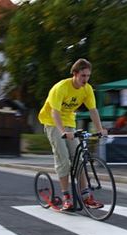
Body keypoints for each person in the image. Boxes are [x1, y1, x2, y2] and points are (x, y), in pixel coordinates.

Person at [38, 58, 107, 211]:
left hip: (70, 122)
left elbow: (93, 110)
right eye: (83, 75)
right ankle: (66, 198)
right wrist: (63, 132)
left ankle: (86, 197)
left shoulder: (87, 89)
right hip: (52, 122)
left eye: (88, 76)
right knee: (64, 160)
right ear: (74, 74)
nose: (86, 79)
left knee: (80, 160)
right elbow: (55, 112)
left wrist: (100, 129)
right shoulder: (61, 87)